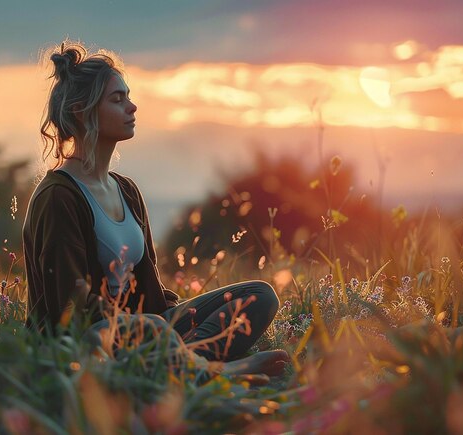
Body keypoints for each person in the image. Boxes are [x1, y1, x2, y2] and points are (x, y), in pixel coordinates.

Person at [23, 41, 288, 378]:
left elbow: (150, 293)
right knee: (152, 327)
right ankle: (207, 371)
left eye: (128, 97)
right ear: (82, 111)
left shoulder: (127, 190)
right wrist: (148, 326)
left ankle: (176, 365)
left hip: (145, 332)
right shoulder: (59, 196)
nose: (132, 107)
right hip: (85, 342)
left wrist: (177, 319)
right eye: (117, 100)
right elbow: (70, 308)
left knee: (259, 296)